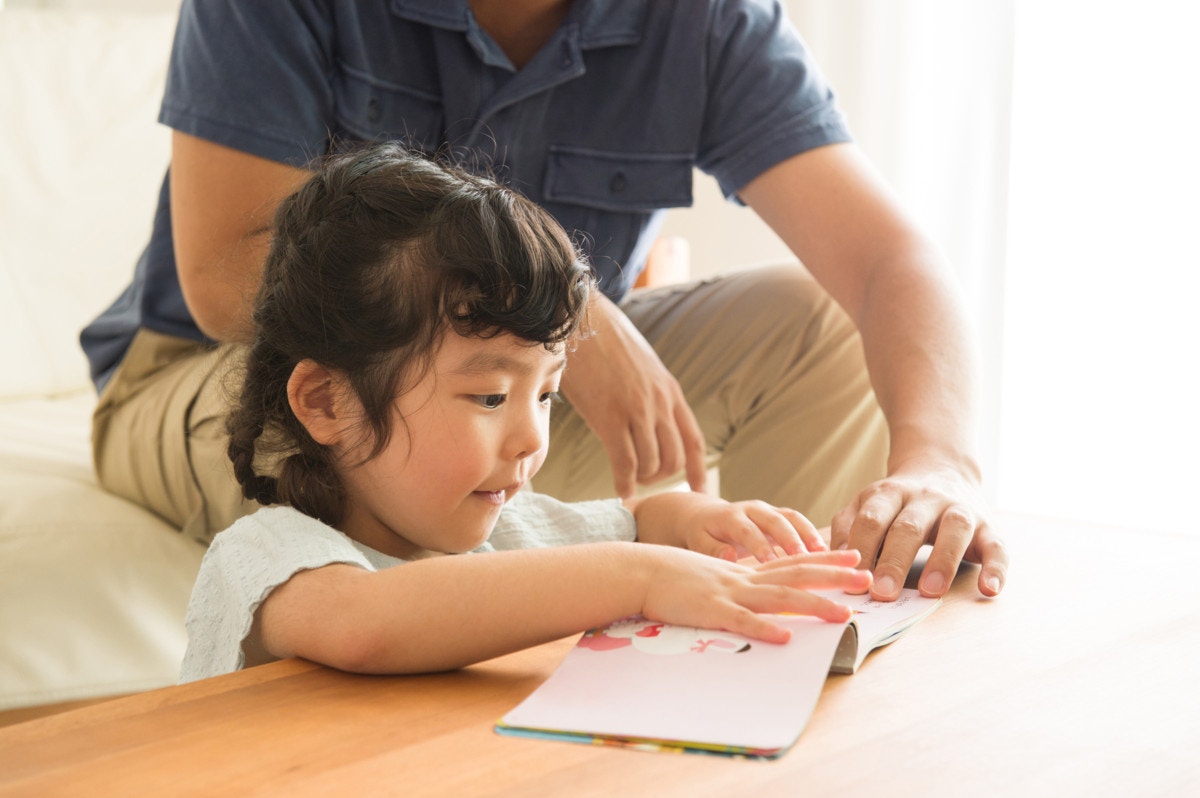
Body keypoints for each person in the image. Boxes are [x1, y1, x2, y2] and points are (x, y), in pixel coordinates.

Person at [82, 0, 1007, 603]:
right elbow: (222, 277)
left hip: (519, 381)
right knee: (363, 439)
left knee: (820, 327)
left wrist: (938, 464)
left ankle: (770, 635)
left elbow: (891, 261)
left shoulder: (710, 22)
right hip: (235, 366)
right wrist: (572, 308)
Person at [178, 143, 871, 680]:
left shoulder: (510, 533)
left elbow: (638, 523)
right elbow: (369, 624)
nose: (530, 440)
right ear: (327, 403)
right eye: (488, 397)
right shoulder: (272, 557)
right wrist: (645, 577)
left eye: (546, 395)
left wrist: (702, 523)